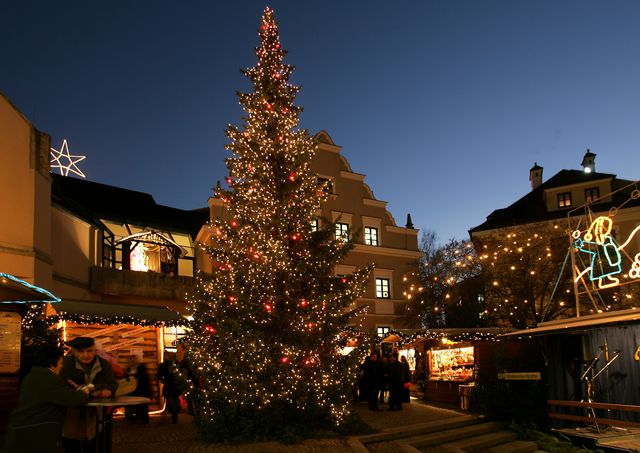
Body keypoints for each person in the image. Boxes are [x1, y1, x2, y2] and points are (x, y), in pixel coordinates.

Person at [4, 344, 90, 453]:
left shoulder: (32, 376)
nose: (62, 366)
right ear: (52, 363)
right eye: (61, 362)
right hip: (37, 435)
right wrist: (84, 392)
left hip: (22, 431)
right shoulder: (49, 380)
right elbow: (75, 400)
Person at [60, 336, 118, 453]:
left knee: (95, 443)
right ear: (75, 351)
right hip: (72, 413)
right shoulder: (66, 364)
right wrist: (92, 392)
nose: (86, 355)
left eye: (89, 351)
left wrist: (96, 388)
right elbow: (61, 385)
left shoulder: (103, 364)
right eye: (81, 352)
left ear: (94, 350)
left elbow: (112, 385)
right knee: (72, 444)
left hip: (96, 415)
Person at [125, 354, 151, 423]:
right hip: (132, 390)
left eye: (134, 360)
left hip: (142, 389)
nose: (133, 361)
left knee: (143, 405)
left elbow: (144, 378)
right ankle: (135, 418)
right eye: (131, 360)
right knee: (135, 406)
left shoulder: (141, 367)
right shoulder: (128, 369)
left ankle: (144, 419)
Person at [158, 351, 181, 423]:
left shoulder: (175, 364)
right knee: (169, 400)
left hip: (174, 385)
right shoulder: (163, 365)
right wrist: (163, 380)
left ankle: (174, 416)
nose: (167, 356)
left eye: (168, 355)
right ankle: (172, 414)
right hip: (168, 384)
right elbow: (160, 374)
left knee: (174, 401)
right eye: (166, 355)